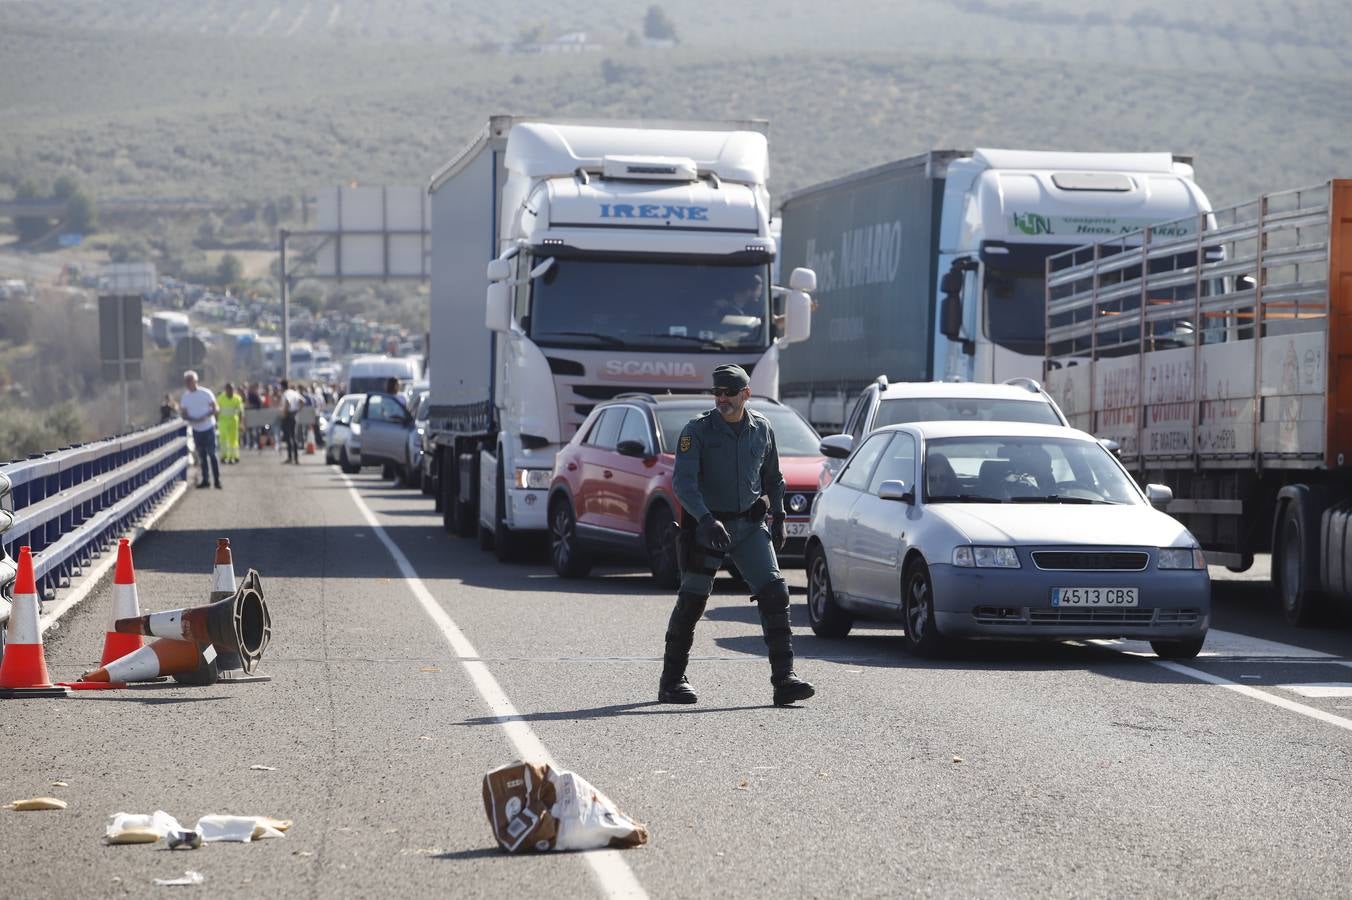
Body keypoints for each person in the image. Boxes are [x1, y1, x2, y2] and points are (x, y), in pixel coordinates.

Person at [660, 364, 814, 707]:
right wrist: (705, 519)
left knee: (775, 593)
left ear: (746, 394)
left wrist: (779, 515)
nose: (722, 399)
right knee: (693, 601)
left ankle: (784, 680)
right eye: (717, 393)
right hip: (709, 527)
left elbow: (774, 477)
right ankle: (671, 681)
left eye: (729, 393)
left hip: (749, 526)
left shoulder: (762, 428)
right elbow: (683, 483)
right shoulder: (696, 430)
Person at [179, 370, 221, 489]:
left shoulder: (206, 393)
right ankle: (206, 480)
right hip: (196, 429)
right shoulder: (185, 397)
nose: (188, 383)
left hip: (208, 427)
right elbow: (183, 414)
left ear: (195, 381)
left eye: (190, 381)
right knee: (202, 456)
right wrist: (192, 418)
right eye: (186, 381)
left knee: (212, 454)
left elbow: (216, 408)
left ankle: (217, 480)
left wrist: (206, 416)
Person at [217, 383, 244, 464]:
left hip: (233, 421)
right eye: (228, 389)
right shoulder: (221, 398)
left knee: (233, 440)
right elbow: (217, 410)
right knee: (223, 440)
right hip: (223, 422)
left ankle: (234, 456)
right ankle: (224, 456)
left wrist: (241, 423)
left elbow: (240, 412)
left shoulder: (237, 399)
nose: (229, 391)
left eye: (231, 389)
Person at [279, 378, 304, 464]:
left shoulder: (286, 394)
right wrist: (298, 410)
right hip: (294, 414)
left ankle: (290, 457)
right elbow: (302, 401)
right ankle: (296, 458)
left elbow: (287, 402)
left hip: (288, 415)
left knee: (288, 437)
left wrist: (285, 413)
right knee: (294, 436)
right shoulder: (294, 392)